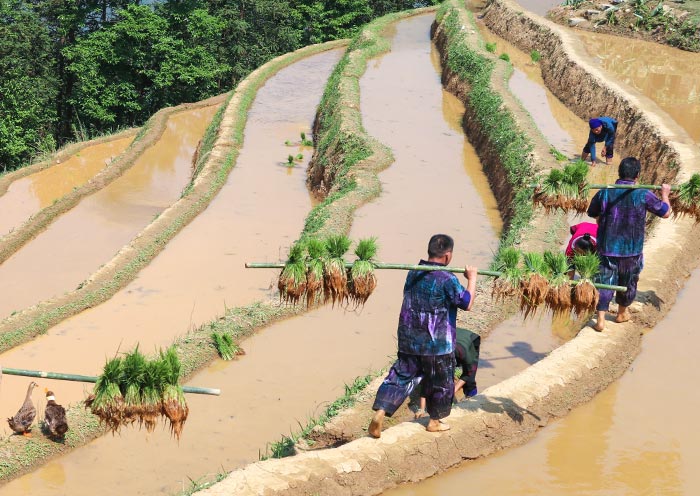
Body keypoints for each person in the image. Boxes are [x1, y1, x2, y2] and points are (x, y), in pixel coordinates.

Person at [368, 234, 478, 438]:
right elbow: (467, 303)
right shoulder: (447, 279)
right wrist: (471, 278)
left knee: (400, 377)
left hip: (409, 339)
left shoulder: (413, 273)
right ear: (447, 256)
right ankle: (434, 422)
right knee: (440, 382)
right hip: (437, 344)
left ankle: (381, 411)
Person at [586, 157, 671, 332]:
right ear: (637, 175)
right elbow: (665, 212)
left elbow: (592, 212)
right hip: (631, 250)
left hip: (607, 248)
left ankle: (600, 320)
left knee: (603, 281)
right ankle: (621, 313)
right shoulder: (643, 194)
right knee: (629, 282)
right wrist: (665, 195)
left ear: (619, 173)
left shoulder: (606, 192)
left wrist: (601, 218)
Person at [415, 327, 481, 419]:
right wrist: (421, 409)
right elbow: (426, 381)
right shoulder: (433, 356)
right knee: (439, 376)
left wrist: (452, 392)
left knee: (470, 375)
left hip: (469, 340)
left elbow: (468, 373)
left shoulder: (464, 353)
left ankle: (471, 394)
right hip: (449, 341)